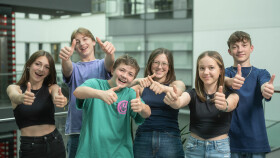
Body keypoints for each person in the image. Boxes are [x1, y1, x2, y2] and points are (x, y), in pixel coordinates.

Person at [73, 54, 151, 157]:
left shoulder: (130, 94)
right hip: (90, 153)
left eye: (130, 74)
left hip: (120, 154)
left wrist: (142, 107)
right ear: (113, 70)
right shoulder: (95, 84)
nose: (124, 75)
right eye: (122, 70)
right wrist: (101, 94)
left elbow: (147, 113)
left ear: (133, 79)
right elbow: (77, 92)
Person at [164, 51, 239, 158]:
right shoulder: (192, 93)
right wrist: (174, 101)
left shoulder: (231, 94)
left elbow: (231, 104)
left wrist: (224, 105)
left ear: (221, 70)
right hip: (194, 148)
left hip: (219, 149)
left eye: (211, 68)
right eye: (202, 68)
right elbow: (179, 102)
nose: (206, 72)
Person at [59, 27, 115, 158]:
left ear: (94, 42)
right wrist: (65, 58)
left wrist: (110, 53)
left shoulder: (102, 64)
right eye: (77, 42)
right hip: (77, 131)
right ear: (75, 47)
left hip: (101, 129)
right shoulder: (74, 67)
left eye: (85, 39)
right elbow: (67, 69)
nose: (82, 44)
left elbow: (110, 63)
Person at [6, 50, 67, 158]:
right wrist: (22, 98)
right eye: (37, 64)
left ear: (49, 72)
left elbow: (57, 95)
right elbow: (14, 96)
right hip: (30, 148)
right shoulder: (15, 88)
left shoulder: (51, 88)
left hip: (55, 142)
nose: (41, 69)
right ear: (29, 65)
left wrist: (61, 99)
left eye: (46, 67)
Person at [225, 31, 275, 158]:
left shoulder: (261, 73)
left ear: (251, 48)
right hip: (231, 141)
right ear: (229, 51)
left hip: (256, 141)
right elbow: (220, 80)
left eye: (244, 45)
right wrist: (229, 81)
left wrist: (266, 90)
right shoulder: (225, 73)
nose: (240, 50)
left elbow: (265, 85)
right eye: (235, 46)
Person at [132, 48, 186, 158]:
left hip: (169, 138)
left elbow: (178, 92)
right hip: (144, 137)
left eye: (164, 63)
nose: (159, 67)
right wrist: (136, 80)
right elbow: (121, 90)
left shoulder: (175, 84)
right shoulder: (141, 87)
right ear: (150, 64)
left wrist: (162, 88)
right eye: (156, 62)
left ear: (169, 67)